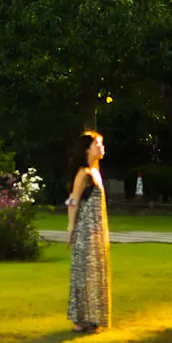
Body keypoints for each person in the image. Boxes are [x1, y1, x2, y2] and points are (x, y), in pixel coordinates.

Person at [65, 131, 112, 332]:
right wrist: (70, 229)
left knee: (95, 273)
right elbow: (73, 201)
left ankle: (93, 317)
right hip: (85, 230)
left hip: (96, 230)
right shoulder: (83, 173)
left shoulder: (96, 172)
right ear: (87, 149)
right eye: (97, 144)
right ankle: (80, 319)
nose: (101, 147)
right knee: (84, 274)